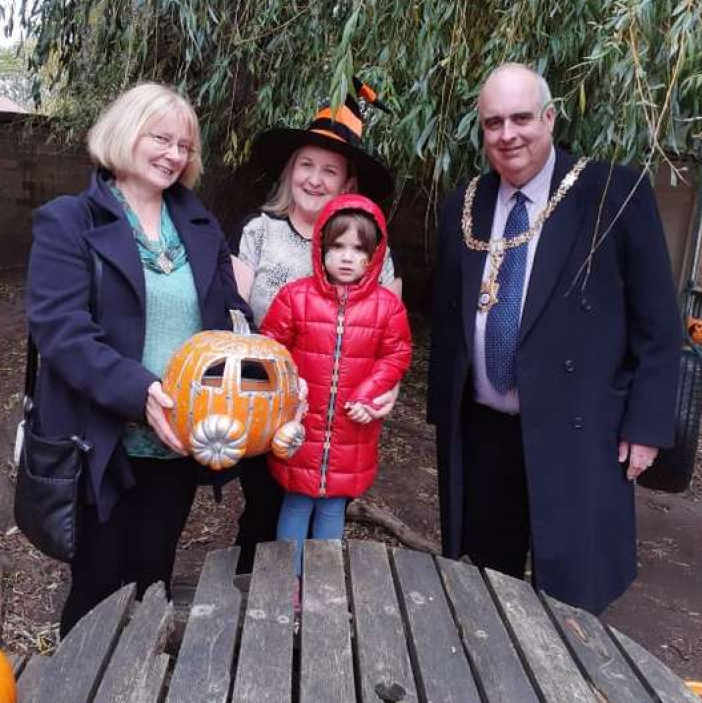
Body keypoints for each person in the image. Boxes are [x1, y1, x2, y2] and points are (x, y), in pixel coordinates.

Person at [428, 63, 680, 614]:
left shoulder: (613, 192)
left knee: (570, 596)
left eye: (521, 118)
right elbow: (450, 319)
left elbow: (659, 326)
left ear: (549, 117)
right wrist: (441, 412)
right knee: (487, 585)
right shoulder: (464, 204)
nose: (508, 134)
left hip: (577, 429)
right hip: (484, 433)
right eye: (493, 122)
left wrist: (647, 425)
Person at [25, 82, 251, 636]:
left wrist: (249, 331)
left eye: (184, 146)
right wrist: (140, 391)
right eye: (161, 139)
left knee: (154, 580)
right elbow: (60, 330)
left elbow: (228, 313)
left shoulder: (200, 225)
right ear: (126, 134)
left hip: (175, 441)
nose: (174, 155)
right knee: (98, 587)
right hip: (97, 441)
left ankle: (140, 683)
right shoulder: (69, 221)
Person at [230, 82, 403, 572]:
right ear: (291, 171)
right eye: (306, 165)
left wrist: (384, 388)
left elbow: (390, 331)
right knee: (266, 508)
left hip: (339, 408)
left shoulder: (368, 248)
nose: (314, 179)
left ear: (346, 183)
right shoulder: (258, 231)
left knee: (329, 506)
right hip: (269, 401)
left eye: (329, 170)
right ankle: (257, 601)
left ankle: (318, 601)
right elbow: (233, 315)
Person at [260, 194, 412, 598]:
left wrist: (369, 394)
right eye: (338, 246)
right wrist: (292, 391)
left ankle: (321, 580)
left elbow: (396, 353)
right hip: (300, 427)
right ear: (321, 249)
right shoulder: (296, 297)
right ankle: (287, 580)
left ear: (374, 255)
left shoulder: (387, 308)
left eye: (358, 249)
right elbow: (270, 349)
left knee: (331, 510)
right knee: (294, 505)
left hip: (351, 429)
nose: (347, 257)